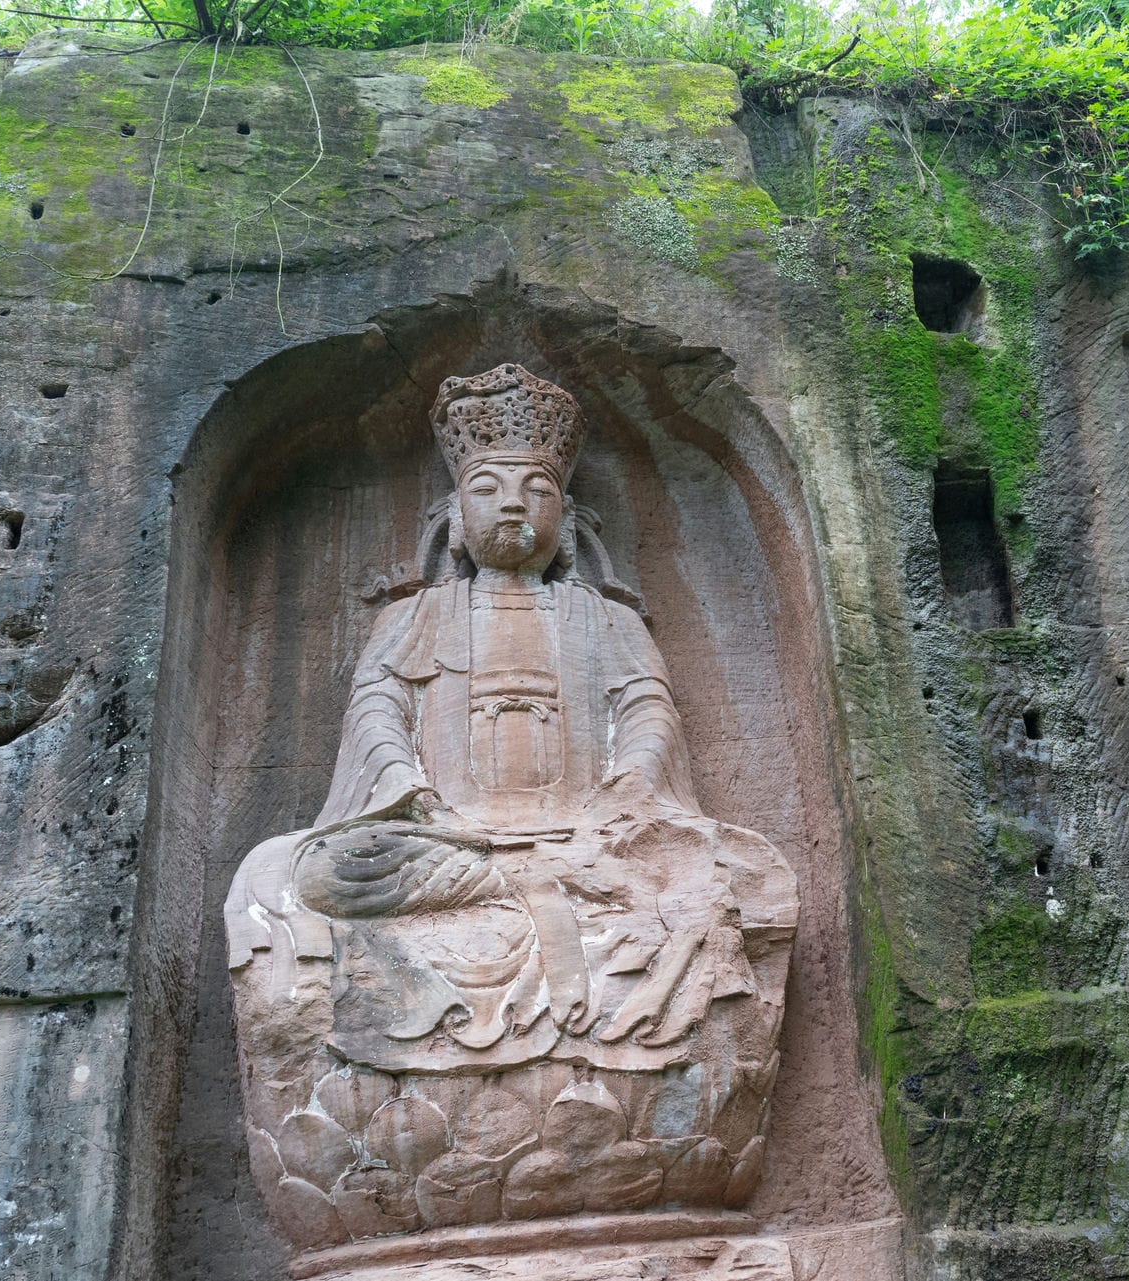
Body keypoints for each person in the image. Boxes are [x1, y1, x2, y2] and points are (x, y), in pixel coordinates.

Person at [224, 364, 796, 1247]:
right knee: (297, 873)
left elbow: (648, 714)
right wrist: (410, 792)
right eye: (486, 488)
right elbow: (378, 715)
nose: (512, 505)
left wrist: (633, 792)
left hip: (591, 841)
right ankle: (518, 926)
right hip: (449, 848)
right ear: (454, 513)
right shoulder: (411, 620)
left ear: (567, 513)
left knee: (735, 876)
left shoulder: (606, 621)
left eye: (537, 489)